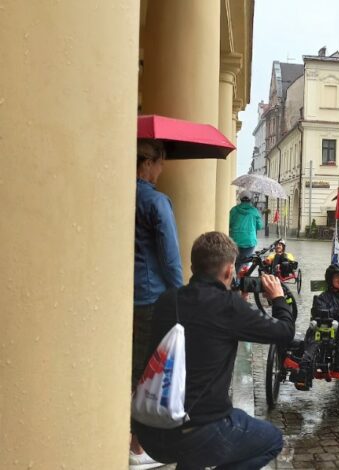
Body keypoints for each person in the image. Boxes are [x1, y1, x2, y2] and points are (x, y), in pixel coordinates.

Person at [133, 231, 294, 469]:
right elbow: (284, 332)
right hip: (197, 433)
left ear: (192, 265)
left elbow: (202, 323)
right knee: (272, 440)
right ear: (230, 270)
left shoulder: (168, 300)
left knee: (197, 446)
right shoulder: (228, 307)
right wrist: (279, 299)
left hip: (151, 430)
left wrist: (235, 303)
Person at [132, 139, 184, 469]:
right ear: (148, 163)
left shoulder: (117, 191)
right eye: (160, 163)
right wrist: (181, 295)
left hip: (122, 291)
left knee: (129, 364)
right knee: (146, 370)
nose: (162, 170)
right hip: (151, 295)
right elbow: (170, 256)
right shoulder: (155, 200)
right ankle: (136, 444)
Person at [229, 190, 264, 275]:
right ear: (250, 199)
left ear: (240, 199)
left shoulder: (233, 210)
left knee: (235, 262)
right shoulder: (254, 211)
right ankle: (242, 282)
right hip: (249, 241)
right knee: (245, 263)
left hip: (235, 240)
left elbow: (229, 224)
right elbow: (260, 226)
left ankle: (234, 280)